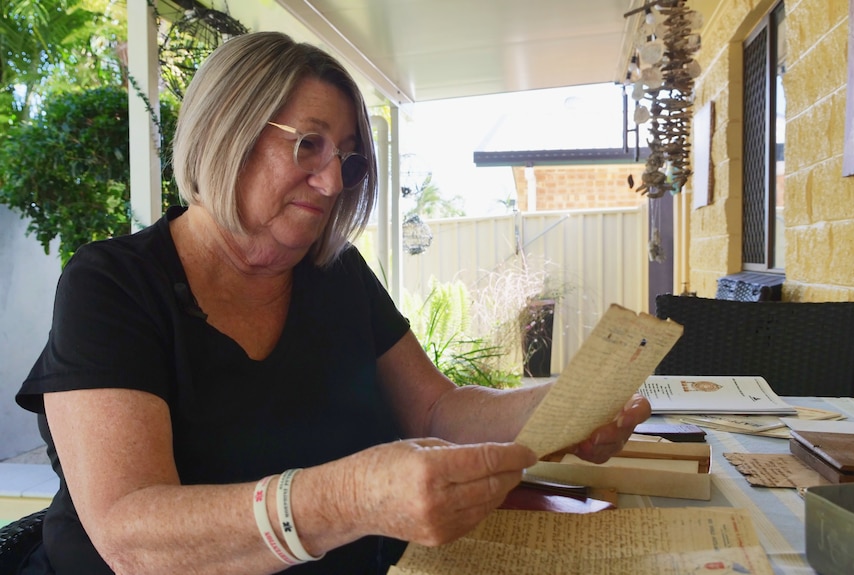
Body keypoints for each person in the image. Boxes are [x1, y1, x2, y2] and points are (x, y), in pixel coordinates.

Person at [15, 31, 650, 575]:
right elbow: (130, 537)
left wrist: (564, 407)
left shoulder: (336, 272)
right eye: (308, 144)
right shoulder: (114, 285)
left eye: (346, 158)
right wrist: (350, 499)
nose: (332, 181)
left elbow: (436, 409)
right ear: (225, 132)